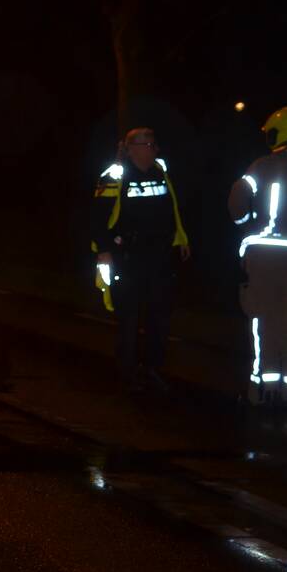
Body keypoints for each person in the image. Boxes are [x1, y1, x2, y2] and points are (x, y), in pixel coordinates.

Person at [228, 106, 287, 406]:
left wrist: (245, 224)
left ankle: (262, 392)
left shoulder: (262, 166)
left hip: (264, 257)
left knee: (264, 323)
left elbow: (238, 199)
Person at [90, 128, 190, 392]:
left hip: (159, 257)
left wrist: (180, 239)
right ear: (132, 148)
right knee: (129, 318)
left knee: (159, 316)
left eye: (155, 144)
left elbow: (173, 209)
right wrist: (105, 249)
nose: (155, 149)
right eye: (150, 144)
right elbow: (98, 218)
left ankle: (153, 368)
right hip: (128, 258)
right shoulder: (114, 177)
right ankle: (127, 372)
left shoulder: (160, 171)